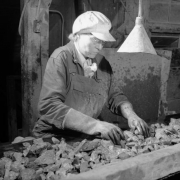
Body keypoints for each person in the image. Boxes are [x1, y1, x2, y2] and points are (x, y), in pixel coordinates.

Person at [33, 11, 150, 145]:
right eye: (95, 40)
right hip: (53, 136)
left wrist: (131, 115)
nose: (100, 46)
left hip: (83, 136)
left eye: (102, 42)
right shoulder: (61, 57)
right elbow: (49, 106)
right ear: (77, 36)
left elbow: (116, 96)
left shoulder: (102, 62)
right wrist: (96, 126)